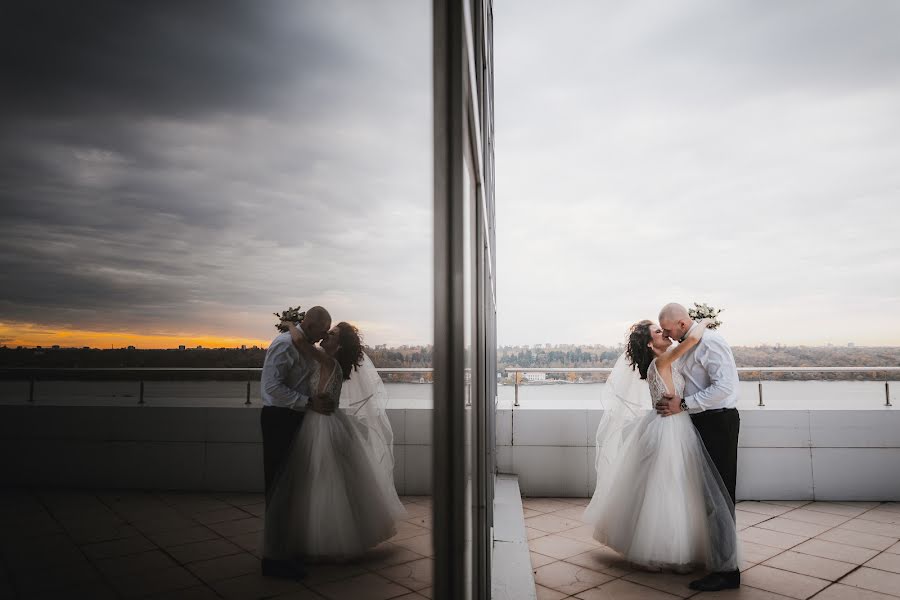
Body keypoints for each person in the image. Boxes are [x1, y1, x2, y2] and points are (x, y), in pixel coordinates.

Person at [583, 318, 740, 580]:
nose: (665, 333)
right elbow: (690, 340)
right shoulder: (661, 362)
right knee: (666, 489)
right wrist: (702, 321)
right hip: (668, 429)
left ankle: (683, 548)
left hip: (676, 425)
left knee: (677, 489)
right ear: (649, 342)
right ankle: (661, 549)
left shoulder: (666, 361)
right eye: (659, 332)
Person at [262, 320, 406, 561]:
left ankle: (324, 538)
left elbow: (299, 341)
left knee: (324, 480)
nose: (326, 336)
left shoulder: (329, 362)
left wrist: (290, 322)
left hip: (322, 424)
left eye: (332, 334)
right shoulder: (326, 360)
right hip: (320, 420)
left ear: (338, 347)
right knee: (319, 481)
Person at [657, 302, 742, 591]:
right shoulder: (690, 340)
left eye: (668, 329)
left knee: (719, 496)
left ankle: (728, 572)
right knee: (708, 497)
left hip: (719, 423)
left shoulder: (711, 342)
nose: (666, 335)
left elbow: (725, 387)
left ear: (681, 323)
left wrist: (684, 404)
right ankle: (719, 561)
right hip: (701, 422)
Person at [259, 305, 333, 579]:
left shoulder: (303, 344)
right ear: (311, 325)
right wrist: (308, 402)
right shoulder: (284, 345)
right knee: (279, 488)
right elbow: (271, 389)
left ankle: (286, 550)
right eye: (323, 331)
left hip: (297, 418)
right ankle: (273, 559)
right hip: (279, 419)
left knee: (292, 489)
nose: (324, 336)